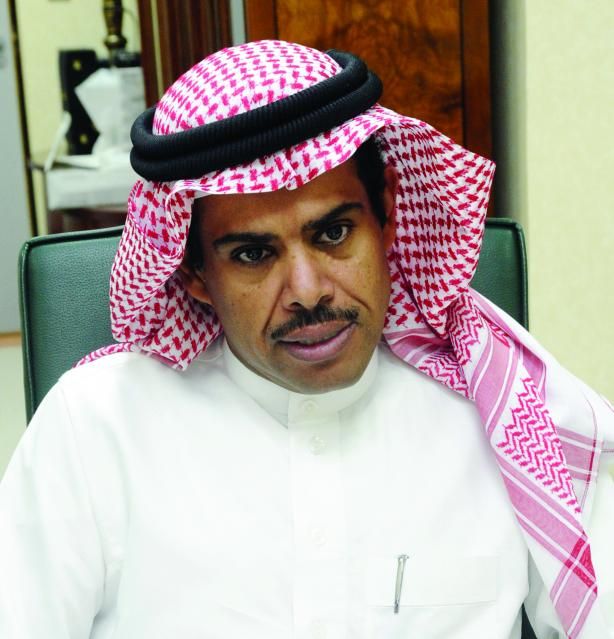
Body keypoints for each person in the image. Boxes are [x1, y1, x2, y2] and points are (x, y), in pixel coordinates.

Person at [1, 40, 613, 639]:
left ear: (387, 216)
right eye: (253, 254)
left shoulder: (509, 408)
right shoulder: (94, 429)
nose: (307, 290)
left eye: (333, 234)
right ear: (192, 274)